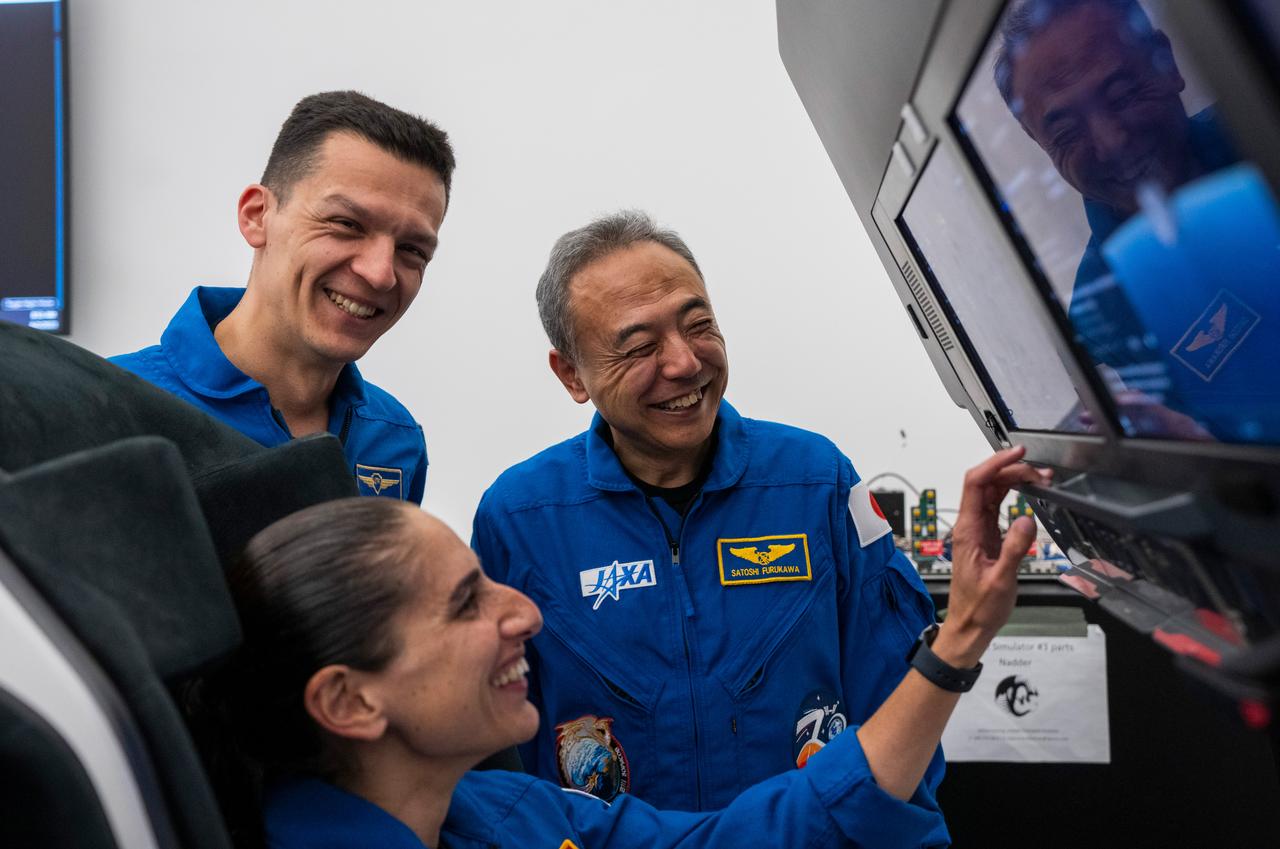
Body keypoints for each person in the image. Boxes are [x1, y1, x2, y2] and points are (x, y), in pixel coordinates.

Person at [192, 447, 1048, 849]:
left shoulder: (506, 813)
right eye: (466, 602)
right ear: (349, 700)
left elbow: (758, 834)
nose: (526, 612)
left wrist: (960, 638)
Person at [472, 211, 950, 814]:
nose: (684, 363)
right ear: (572, 373)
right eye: (640, 347)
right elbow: (487, 755)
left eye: (699, 326)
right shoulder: (519, 520)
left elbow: (900, 708)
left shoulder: (818, 483)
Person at [112, 91, 454, 503]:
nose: (380, 274)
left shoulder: (395, 438)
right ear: (257, 216)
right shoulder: (113, 408)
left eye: (412, 249)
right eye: (347, 224)